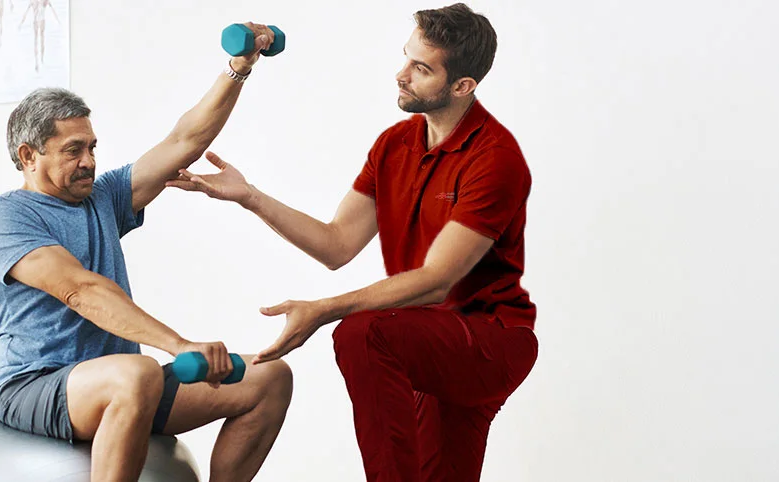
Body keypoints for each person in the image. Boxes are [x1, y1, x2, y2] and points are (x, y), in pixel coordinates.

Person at [166, 5, 537, 481]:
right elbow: (337, 244)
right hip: (424, 341)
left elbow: (437, 281)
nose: (401, 75)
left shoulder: (494, 158)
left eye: (421, 69)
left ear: (463, 86)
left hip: (489, 339)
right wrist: (250, 198)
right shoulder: (394, 145)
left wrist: (325, 309)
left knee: (362, 332)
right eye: (406, 58)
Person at [0, 23, 293, 482]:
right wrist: (179, 346)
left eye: (93, 147)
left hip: (126, 383)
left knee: (270, 378)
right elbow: (79, 289)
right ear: (28, 155)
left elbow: (185, 141)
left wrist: (239, 67)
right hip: (40, 385)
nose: (89, 161)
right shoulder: (4, 217)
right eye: (73, 150)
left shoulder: (103, 197)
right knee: (138, 372)